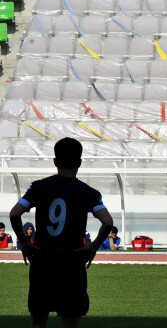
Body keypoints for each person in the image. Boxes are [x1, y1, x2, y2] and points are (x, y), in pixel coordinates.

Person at [9, 137, 113, 328]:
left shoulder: (39, 187)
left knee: (38, 323)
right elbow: (107, 221)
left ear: (55, 161)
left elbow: (15, 213)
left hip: (42, 259)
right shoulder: (88, 192)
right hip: (72, 261)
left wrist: (24, 242)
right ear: (79, 163)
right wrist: (94, 246)